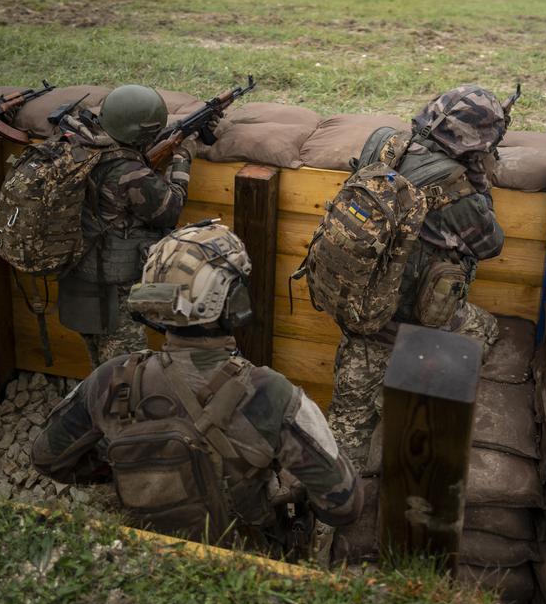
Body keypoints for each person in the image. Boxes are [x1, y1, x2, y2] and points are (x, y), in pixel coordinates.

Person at [32, 220, 362, 557]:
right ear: (229, 301)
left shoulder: (112, 378)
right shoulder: (269, 393)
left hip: (147, 551)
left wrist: (136, 469)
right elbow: (344, 504)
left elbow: (47, 458)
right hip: (244, 565)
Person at [327, 84, 512, 474]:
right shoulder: (456, 188)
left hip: (358, 315)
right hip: (416, 326)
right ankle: (410, 397)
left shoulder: (382, 143)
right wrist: (480, 177)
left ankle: (319, 531)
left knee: (341, 450)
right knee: (488, 330)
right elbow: (491, 243)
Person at [56, 84, 197, 367]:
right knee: (125, 374)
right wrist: (183, 160)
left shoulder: (79, 143)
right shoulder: (128, 172)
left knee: (100, 361)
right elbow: (170, 210)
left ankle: (97, 404)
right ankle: (116, 410)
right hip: (111, 284)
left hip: (76, 271)